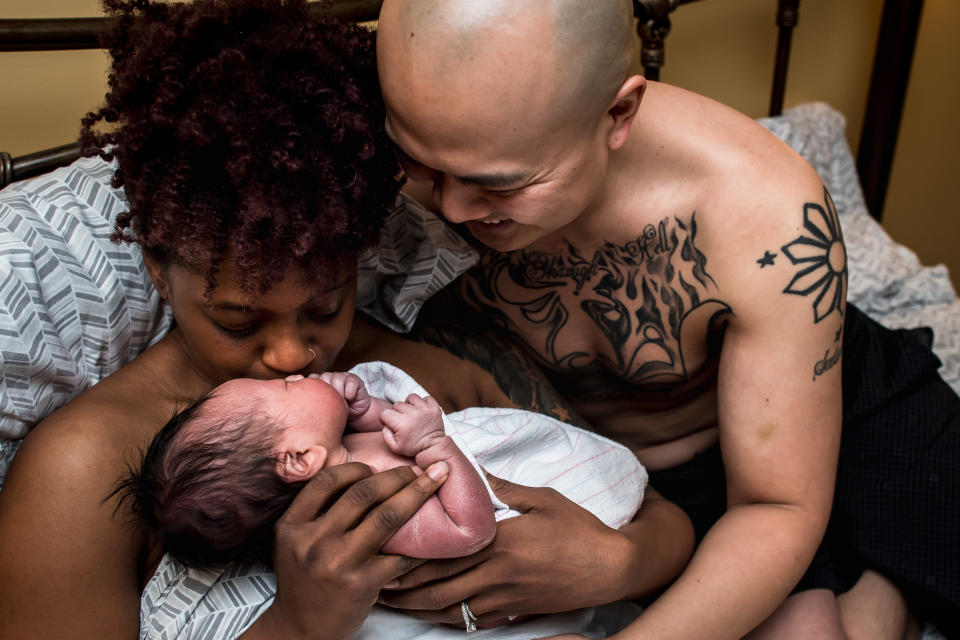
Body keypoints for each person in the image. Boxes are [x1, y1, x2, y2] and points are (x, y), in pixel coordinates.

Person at [0, 1, 694, 639]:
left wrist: (615, 563)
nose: (292, 352)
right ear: (157, 268)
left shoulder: (417, 375)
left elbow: (660, 516)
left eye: (324, 306)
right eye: (239, 320)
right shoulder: (88, 467)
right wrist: (301, 625)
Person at [374, 1, 960, 639]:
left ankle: (882, 582)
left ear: (618, 115)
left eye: (501, 184)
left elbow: (775, 506)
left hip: (823, 411)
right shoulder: (361, 183)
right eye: (425, 165)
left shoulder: (761, 210)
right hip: (651, 478)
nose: (453, 208)